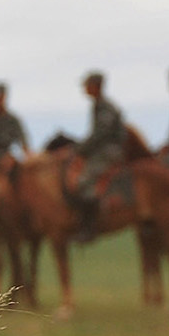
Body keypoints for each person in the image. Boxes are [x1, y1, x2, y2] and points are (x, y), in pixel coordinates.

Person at [71, 71, 127, 243]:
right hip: (103, 149)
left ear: (96, 87)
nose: (85, 89)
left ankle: (90, 227)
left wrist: (80, 150)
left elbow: (100, 135)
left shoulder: (105, 107)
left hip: (109, 151)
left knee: (83, 181)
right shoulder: (99, 106)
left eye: (87, 85)